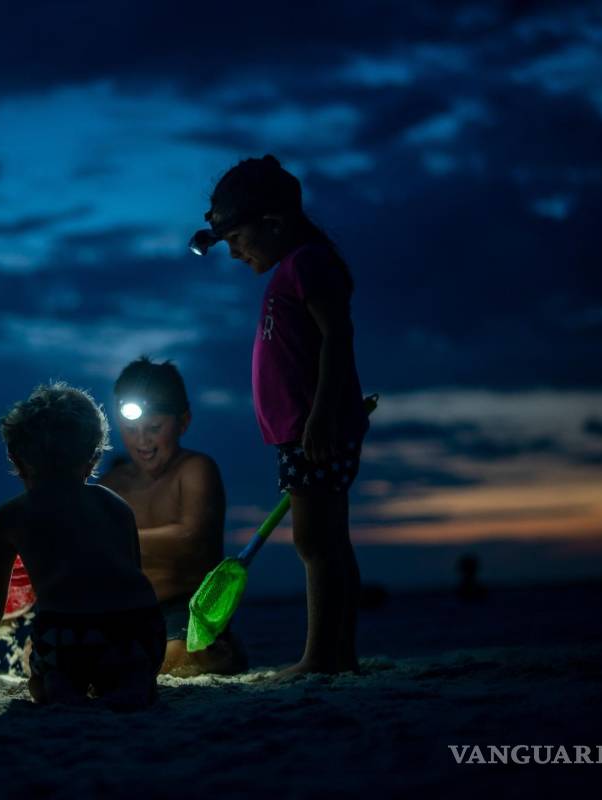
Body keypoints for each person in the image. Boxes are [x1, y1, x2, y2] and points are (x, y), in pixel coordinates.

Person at [188, 155, 369, 676]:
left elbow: (338, 336)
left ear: (272, 223)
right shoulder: (291, 269)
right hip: (301, 433)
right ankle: (336, 655)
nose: (233, 252)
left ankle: (324, 658)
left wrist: (322, 414)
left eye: (236, 238)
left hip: (316, 430)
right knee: (321, 539)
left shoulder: (308, 262)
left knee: (318, 541)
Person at [0, 382, 165, 709]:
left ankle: (58, 685)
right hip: (141, 633)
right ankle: (132, 680)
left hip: (70, 636)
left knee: (38, 669)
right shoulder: (116, 506)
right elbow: (134, 581)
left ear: (16, 459)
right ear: (93, 459)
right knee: (124, 659)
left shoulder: (13, 515)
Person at [98, 357, 247, 676]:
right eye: (131, 429)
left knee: (176, 658)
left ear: (183, 422)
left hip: (185, 608)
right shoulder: (109, 484)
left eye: (154, 428)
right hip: (122, 611)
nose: (143, 441)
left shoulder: (195, 470)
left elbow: (190, 537)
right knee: (46, 651)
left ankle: (217, 649)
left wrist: (103, 540)